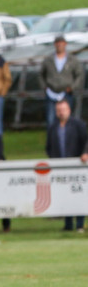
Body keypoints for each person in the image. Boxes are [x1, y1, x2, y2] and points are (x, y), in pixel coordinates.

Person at [45, 99, 88, 233]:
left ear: (69, 110)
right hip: (61, 168)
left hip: (77, 166)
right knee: (64, 195)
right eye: (58, 110)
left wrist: (85, 153)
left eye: (63, 110)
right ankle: (68, 224)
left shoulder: (79, 125)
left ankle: (80, 224)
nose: (61, 113)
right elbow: (49, 147)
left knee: (78, 194)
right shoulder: (53, 127)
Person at [40, 36, 84, 127]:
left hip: (66, 93)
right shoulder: (48, 60)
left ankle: (67, 139)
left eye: (61, 42)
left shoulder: (72, 59)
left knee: (67, 119)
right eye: (57, 43)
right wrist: (44, 86)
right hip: (51, 92)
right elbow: (41, 74)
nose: (59, 45)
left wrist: (73, 87)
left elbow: (79, 74)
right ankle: (52, 139)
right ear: (55, 44)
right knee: (51, 119)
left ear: (65, 44)